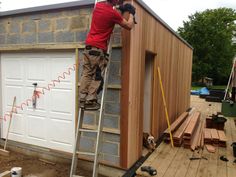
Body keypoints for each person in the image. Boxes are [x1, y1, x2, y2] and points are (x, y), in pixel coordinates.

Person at [79, 0, 136, 110]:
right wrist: (132, 13)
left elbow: (110, 10)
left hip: (88, 47)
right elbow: (129, 26)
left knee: (86, 74)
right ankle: (90, 101)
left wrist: (119, 8)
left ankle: (82, 99)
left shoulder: (98, 5)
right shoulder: (112, 13)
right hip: (98, 49)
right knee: (97, 75)